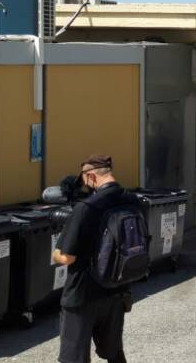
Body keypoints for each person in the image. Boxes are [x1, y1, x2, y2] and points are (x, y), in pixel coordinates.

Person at [52, 155, 135, 363]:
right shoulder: (132, 200)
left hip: (83, 294)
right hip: (117, 289)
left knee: (74, 358)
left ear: (90, 176)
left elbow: (67, 257)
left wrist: (55, 252)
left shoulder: (86, 208)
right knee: (114, 352)